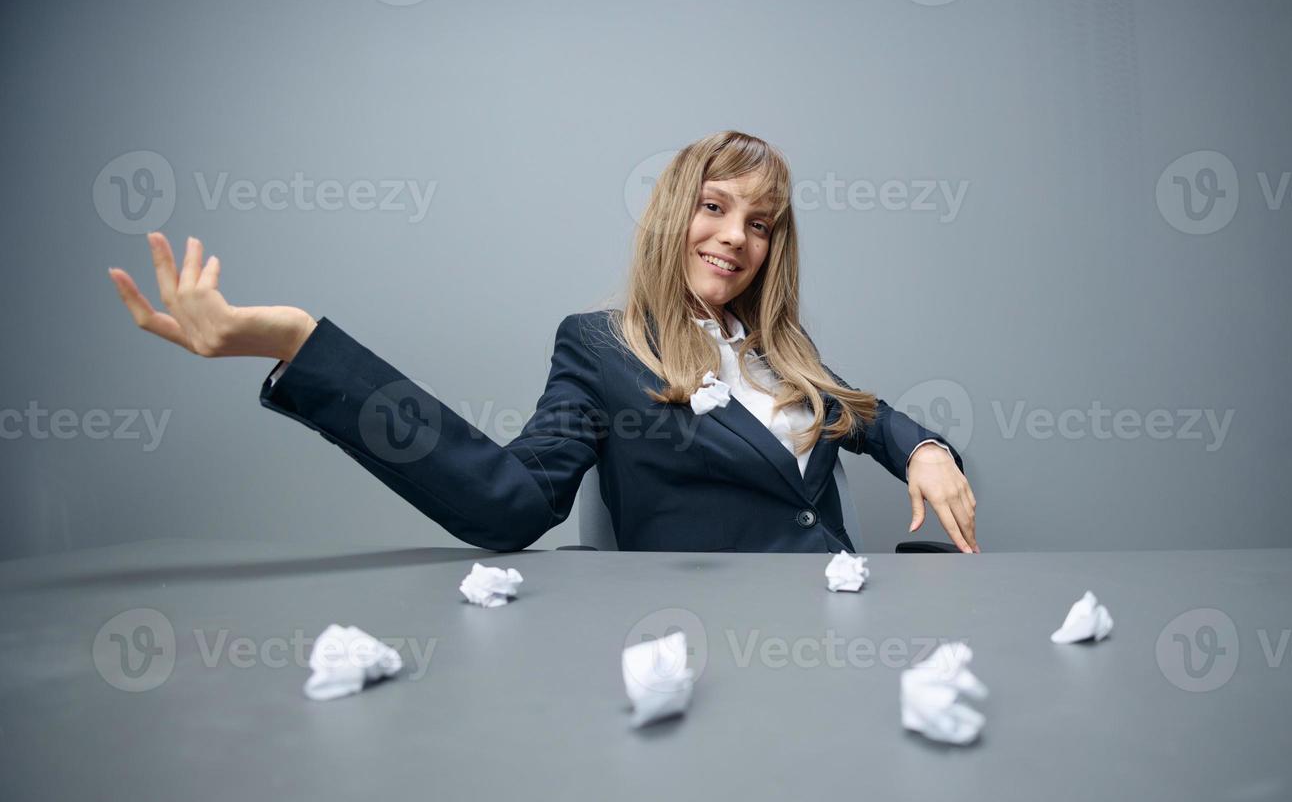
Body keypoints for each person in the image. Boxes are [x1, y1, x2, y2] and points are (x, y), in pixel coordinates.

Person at [107, 130, 979, 554]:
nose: (734, 237)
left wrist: (928, 448)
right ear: (676, 212)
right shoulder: (601, 349)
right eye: (714, 207)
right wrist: (296, 344)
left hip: (841, 633)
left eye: (760, 222)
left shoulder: (781, 351)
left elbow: (867, 417)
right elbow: (508, 501)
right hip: (715, 650)